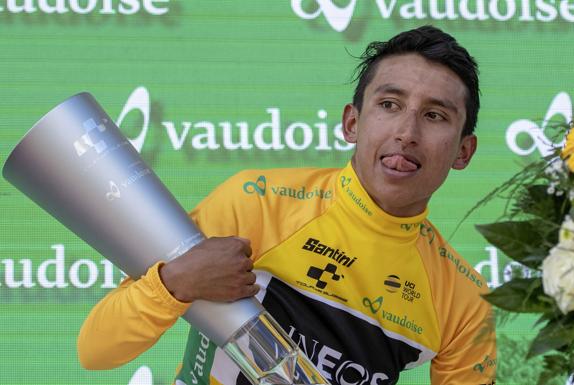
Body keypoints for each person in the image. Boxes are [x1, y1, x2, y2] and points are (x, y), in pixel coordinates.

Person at [78, 25, 496, 385]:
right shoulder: (257, 203)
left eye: (435, 115)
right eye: (390, 105)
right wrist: (175, 283)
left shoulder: (465, 298)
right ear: (352, 122)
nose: (407, 131)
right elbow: (96, 350)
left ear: (464, 151)